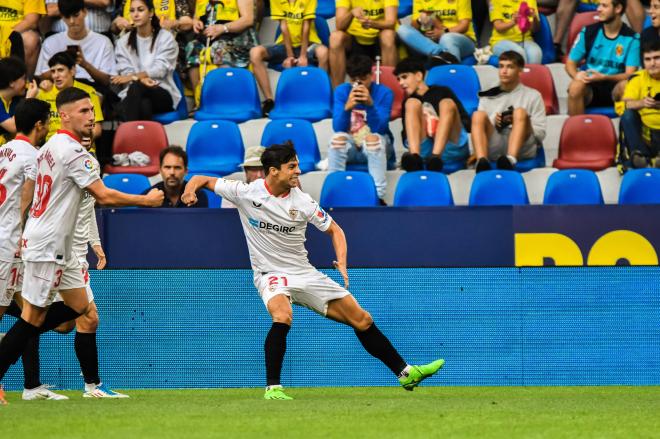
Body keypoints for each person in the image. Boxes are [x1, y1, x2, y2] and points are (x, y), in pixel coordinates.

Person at [181, 142, 445, 400]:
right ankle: (273, 388)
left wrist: (341, 260)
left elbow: (335, 230)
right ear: (273, 171)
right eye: (292, 166)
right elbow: (201, 179)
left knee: (362, 319)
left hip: (304, 273)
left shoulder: (304, 201)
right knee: (282, 316)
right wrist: (189, 191)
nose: (298, 171)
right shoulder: (246, 192)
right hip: (270, 274)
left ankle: (405, 373)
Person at [0, 87, 164, 393]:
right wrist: (147, 201)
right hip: (48, 244)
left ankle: (21, 335)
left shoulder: (50, 145)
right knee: (33, 317)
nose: (91, 117)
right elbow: (103, 194)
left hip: (59, 245)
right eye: (83, 111)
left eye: (92, 110)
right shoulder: (72, 151)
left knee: (80, 308)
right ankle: (13, 346)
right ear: (64, 115)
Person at [0, 98, 57, 401]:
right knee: (24, 312)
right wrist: (23, 239)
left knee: (31, 311)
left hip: (5, 240)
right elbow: (25, 200)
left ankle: (32, 386)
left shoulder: (3, 151)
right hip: (9, 244)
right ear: (40, 125)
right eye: (48, 121)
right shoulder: (33, 156)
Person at [328, 55, 393, 203]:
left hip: (378, 145)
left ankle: (378, 196)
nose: (358, 84)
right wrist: (347, 108)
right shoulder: (341, 91)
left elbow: (380, 128)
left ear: (371, 75)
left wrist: (370, 105)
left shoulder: (384, 93)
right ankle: (334, 192)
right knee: (337, 140)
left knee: (373, 139)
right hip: (352, 146)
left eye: (363, 79)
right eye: (353, 80)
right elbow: (338, 128)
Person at [471, 51, 546, 172]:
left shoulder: (534, 95)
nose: (504, 71)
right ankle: (482, 161)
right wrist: (495, 121)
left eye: (510, 67)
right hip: (495, 142)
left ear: (520, 70)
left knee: (520, 112)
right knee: (477, 115)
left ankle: (510, 160)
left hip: (523, 146)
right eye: (501, 66)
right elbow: (482, 127)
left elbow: (540, 134)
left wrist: (519, 122)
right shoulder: (487, 94)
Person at [250, 0, 329, 116]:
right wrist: (290, 56)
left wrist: (302, 56)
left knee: (324, 52)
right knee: (255, 52)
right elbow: (283, 27)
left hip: (308, 44)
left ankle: (320, 96)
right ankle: (269, 101)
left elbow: (306, 27)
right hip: (284, 45)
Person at [394, 58, 471, 172]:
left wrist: (439, 126)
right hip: (424, 148)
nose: (401, 83)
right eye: (398, 79)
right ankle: (415, 158)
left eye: (404, 77)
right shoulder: (408, 102)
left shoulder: (443, 91)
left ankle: (436, 157)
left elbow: (465, 122)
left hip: (450, 145)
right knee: (412, 103)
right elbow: (406, 135)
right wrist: (425, 125)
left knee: (447, 103)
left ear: (419, 76)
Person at [566, 0, 640, 116]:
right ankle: (576, 131)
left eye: (604, 6)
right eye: (599, 5)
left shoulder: (632, 38)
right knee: (575, 86)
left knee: (627, 86)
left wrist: (604, 77)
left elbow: (630, 74)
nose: (598, 9)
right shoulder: (588, 32)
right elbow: (570, 63)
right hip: (590, 85)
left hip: (615, 87)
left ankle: (626, 132)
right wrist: (577, 75)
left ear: (618, 8)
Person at [112, 0, 181, 121]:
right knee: (144, 105)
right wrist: (140, 79)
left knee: (136, 89)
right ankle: (139, 137)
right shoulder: (123, 42)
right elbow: (125, 70)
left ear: (151, 13)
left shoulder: (166, 38)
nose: (135, 14)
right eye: (132, 11)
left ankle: (127, 133)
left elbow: (160, 69)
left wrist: (134, 78)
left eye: (140, 10)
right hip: (135, 95)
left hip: (162, 92)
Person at [36, 0, 117, 88]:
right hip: (61, 89)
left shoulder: (103, 42)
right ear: (62, 17)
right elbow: (42, 74)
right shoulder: (50, 42)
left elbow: (106, 81)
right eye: (67, 17)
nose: (72, 21)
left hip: (93, 89)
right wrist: (61, 69)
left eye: (76, 15)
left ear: (85, 12)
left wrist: (85, 65)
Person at [185, 0, 257, 94]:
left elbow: (248, 19)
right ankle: (199, 97)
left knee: (219, 48)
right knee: (192, 47)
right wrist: (196, 22)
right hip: (209, 37)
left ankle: (225, 94)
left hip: (236, 36)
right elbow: (196, 16)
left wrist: (224, 28)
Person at [328, 0, 398, 87]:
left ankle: (391, 91)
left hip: (378, 39)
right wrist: (351, 13)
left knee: (388, 35)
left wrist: (372, 23)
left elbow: (391, 23)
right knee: (335, 37)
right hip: (354, 40)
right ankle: (337, 91)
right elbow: (339, 25)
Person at [37, 51, 103, 142]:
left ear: (72, 71)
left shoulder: (88, 92)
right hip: (52, 148)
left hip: (81, 146)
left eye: (60, 70)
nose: (56, 75)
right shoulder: (43, 93)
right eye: (53, 71)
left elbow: (97, 128)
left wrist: (87, 140)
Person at [396, 0, 477, 63]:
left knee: (447, 37)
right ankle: (441, 54)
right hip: (432, 41)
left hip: (462, 39)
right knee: (402, 29)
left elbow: (464, 26)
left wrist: (444, 32)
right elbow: (414, 27)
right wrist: (420, 20)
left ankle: (448, 62)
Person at [620, 40, 660, 168]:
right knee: (628, 115)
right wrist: (642, 103)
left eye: (657, 58)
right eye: (648, 59)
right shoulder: (637, 78)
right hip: (645, 136)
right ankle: (641, 158)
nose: (652, 63)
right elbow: (625, 104)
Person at [143, 145, 209, 208]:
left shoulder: (198, 196)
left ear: (186, 170)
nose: (172, 172)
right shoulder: (148, 196)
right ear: (160, 170)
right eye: (167, 167)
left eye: (177, 168)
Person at [488, 0, 543, 65]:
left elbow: (535, 30)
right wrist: (513, 22)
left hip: (526, 40)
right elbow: (498, 27)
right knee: (519, 54)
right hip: (501, 41)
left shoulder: (530, 1)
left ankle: (530, 75)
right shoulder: (496, 1)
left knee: (536, 54)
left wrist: (535, 18)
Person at [0, 0, 44, 76]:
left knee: (31, 40)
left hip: (18, 31)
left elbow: (31, 21)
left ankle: (23, 82)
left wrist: (6, 34)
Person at [0, 56, 38, 144]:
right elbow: (14, 127)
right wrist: (28, 100)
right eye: (24, 78)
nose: (27, 83)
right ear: (11, 83)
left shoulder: (15, 99)